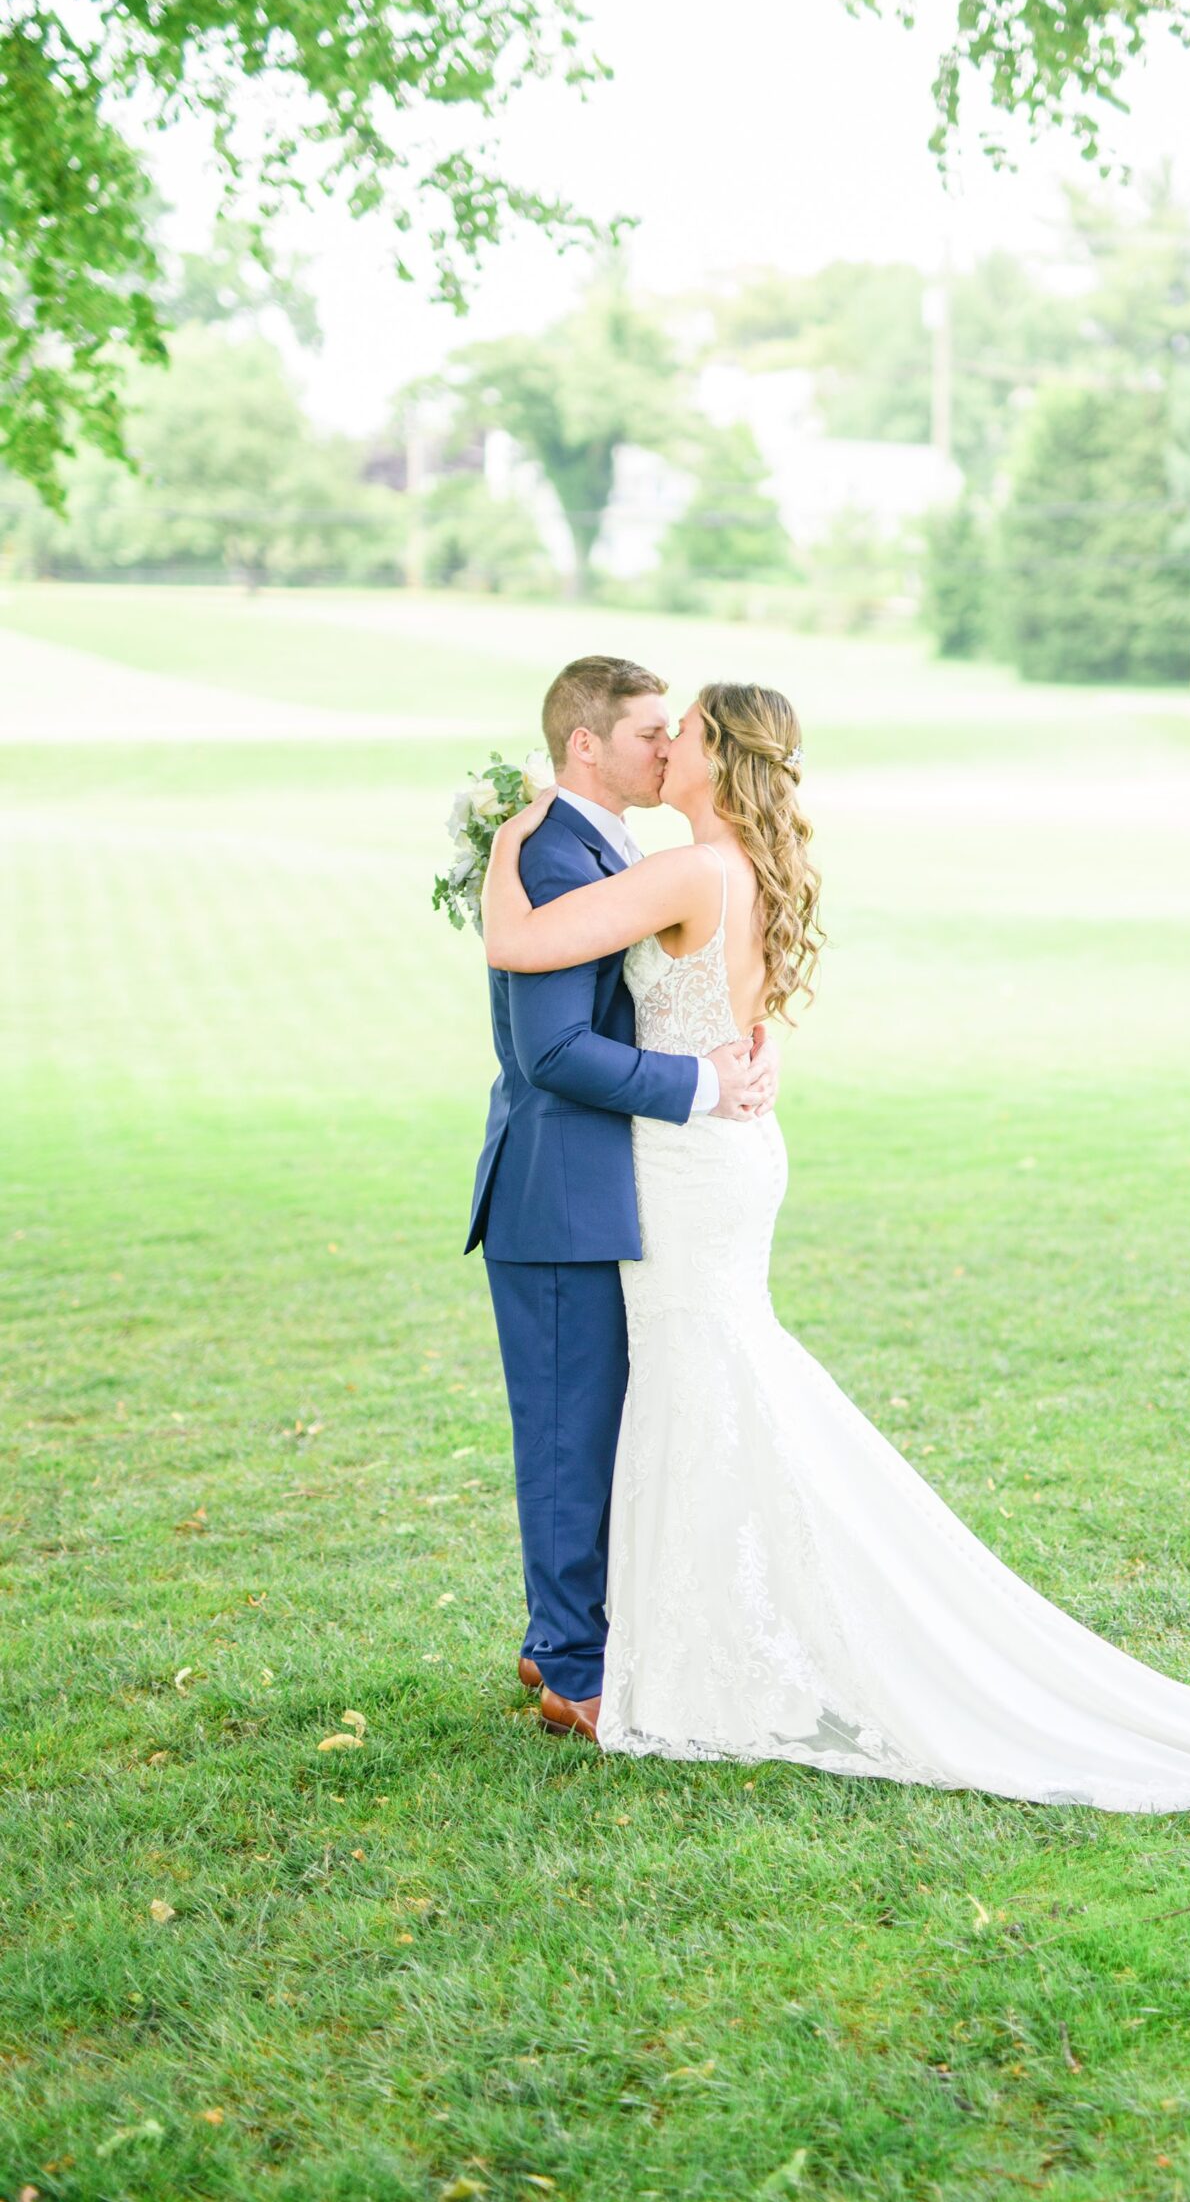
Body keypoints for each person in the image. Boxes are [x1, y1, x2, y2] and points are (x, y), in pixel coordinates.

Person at [481, 678, 1190, 1815]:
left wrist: (505, 835)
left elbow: (521, 939)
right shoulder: (742, 869)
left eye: (685, 731)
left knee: (706, 1382)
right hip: (717, 1158)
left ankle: (698, 1651)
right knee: (710, 1386)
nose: (666, 745)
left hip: (693, 1166)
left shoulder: (688, 869)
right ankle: (682, 1641)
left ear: (717, 759)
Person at [467, 655, 776, 1738]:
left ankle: (561, 1634)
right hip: (560, 1187)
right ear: (586, 743)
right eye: (649, 729)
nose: (664, 745)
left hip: (634, 1185)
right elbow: (549, 1048)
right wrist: (702, 1082)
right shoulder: (552, 850)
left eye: (675, 730)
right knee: (566, 1433)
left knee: (600, 1427)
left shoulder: (628, 852)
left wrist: (737, 1049)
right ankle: (570, 1666)